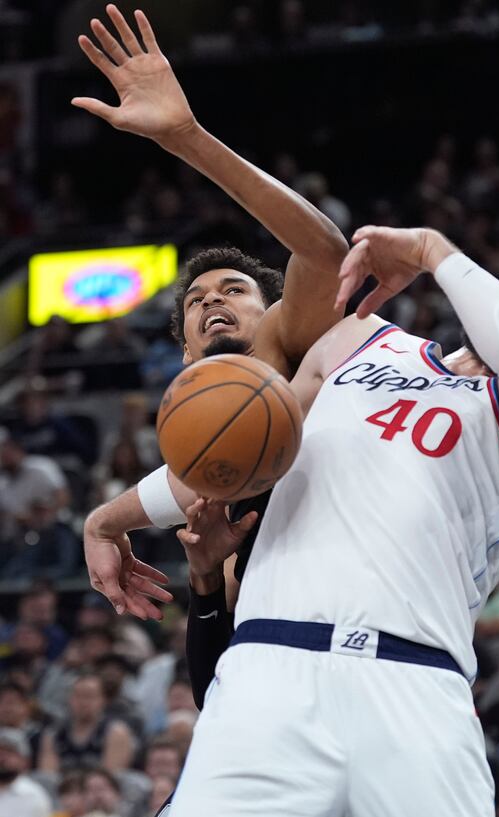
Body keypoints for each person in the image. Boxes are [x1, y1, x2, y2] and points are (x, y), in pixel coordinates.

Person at [164, 222, 499, 817]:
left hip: (416, 677)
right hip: (276, 658)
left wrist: (430, 250)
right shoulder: (370, 341)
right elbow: (227, 441)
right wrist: (111, 520)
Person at [77, 3, 347, 621]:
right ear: (184, 356)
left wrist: (184, 138)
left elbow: (325, 252)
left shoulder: (294, 342)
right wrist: (103, 521)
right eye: (197, 300)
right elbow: (205, 469)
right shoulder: (213, 447)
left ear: (274, 310)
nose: (211, 301)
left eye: (233, 291)